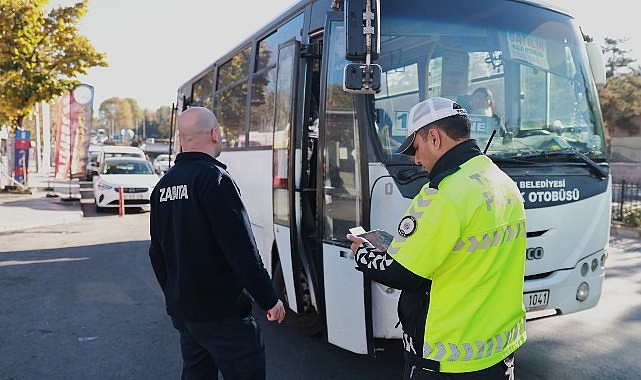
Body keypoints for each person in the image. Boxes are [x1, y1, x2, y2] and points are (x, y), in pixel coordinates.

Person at [346, 97, 526, 379]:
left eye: (416, 148)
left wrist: (362, 253)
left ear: (434, 137)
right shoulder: (502, 181)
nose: (416, 159)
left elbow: (402, 273)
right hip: (498, 353)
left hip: (446, 359)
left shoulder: (443, 195)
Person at [148, 106, 285, 380]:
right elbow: (241, 251)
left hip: (188, 315)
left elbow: (157, 254)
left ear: (180, 140)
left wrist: (175, 299)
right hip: (224, 314)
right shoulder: (215, 179)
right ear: (214, 134)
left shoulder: (163, 185)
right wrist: (269, 298)